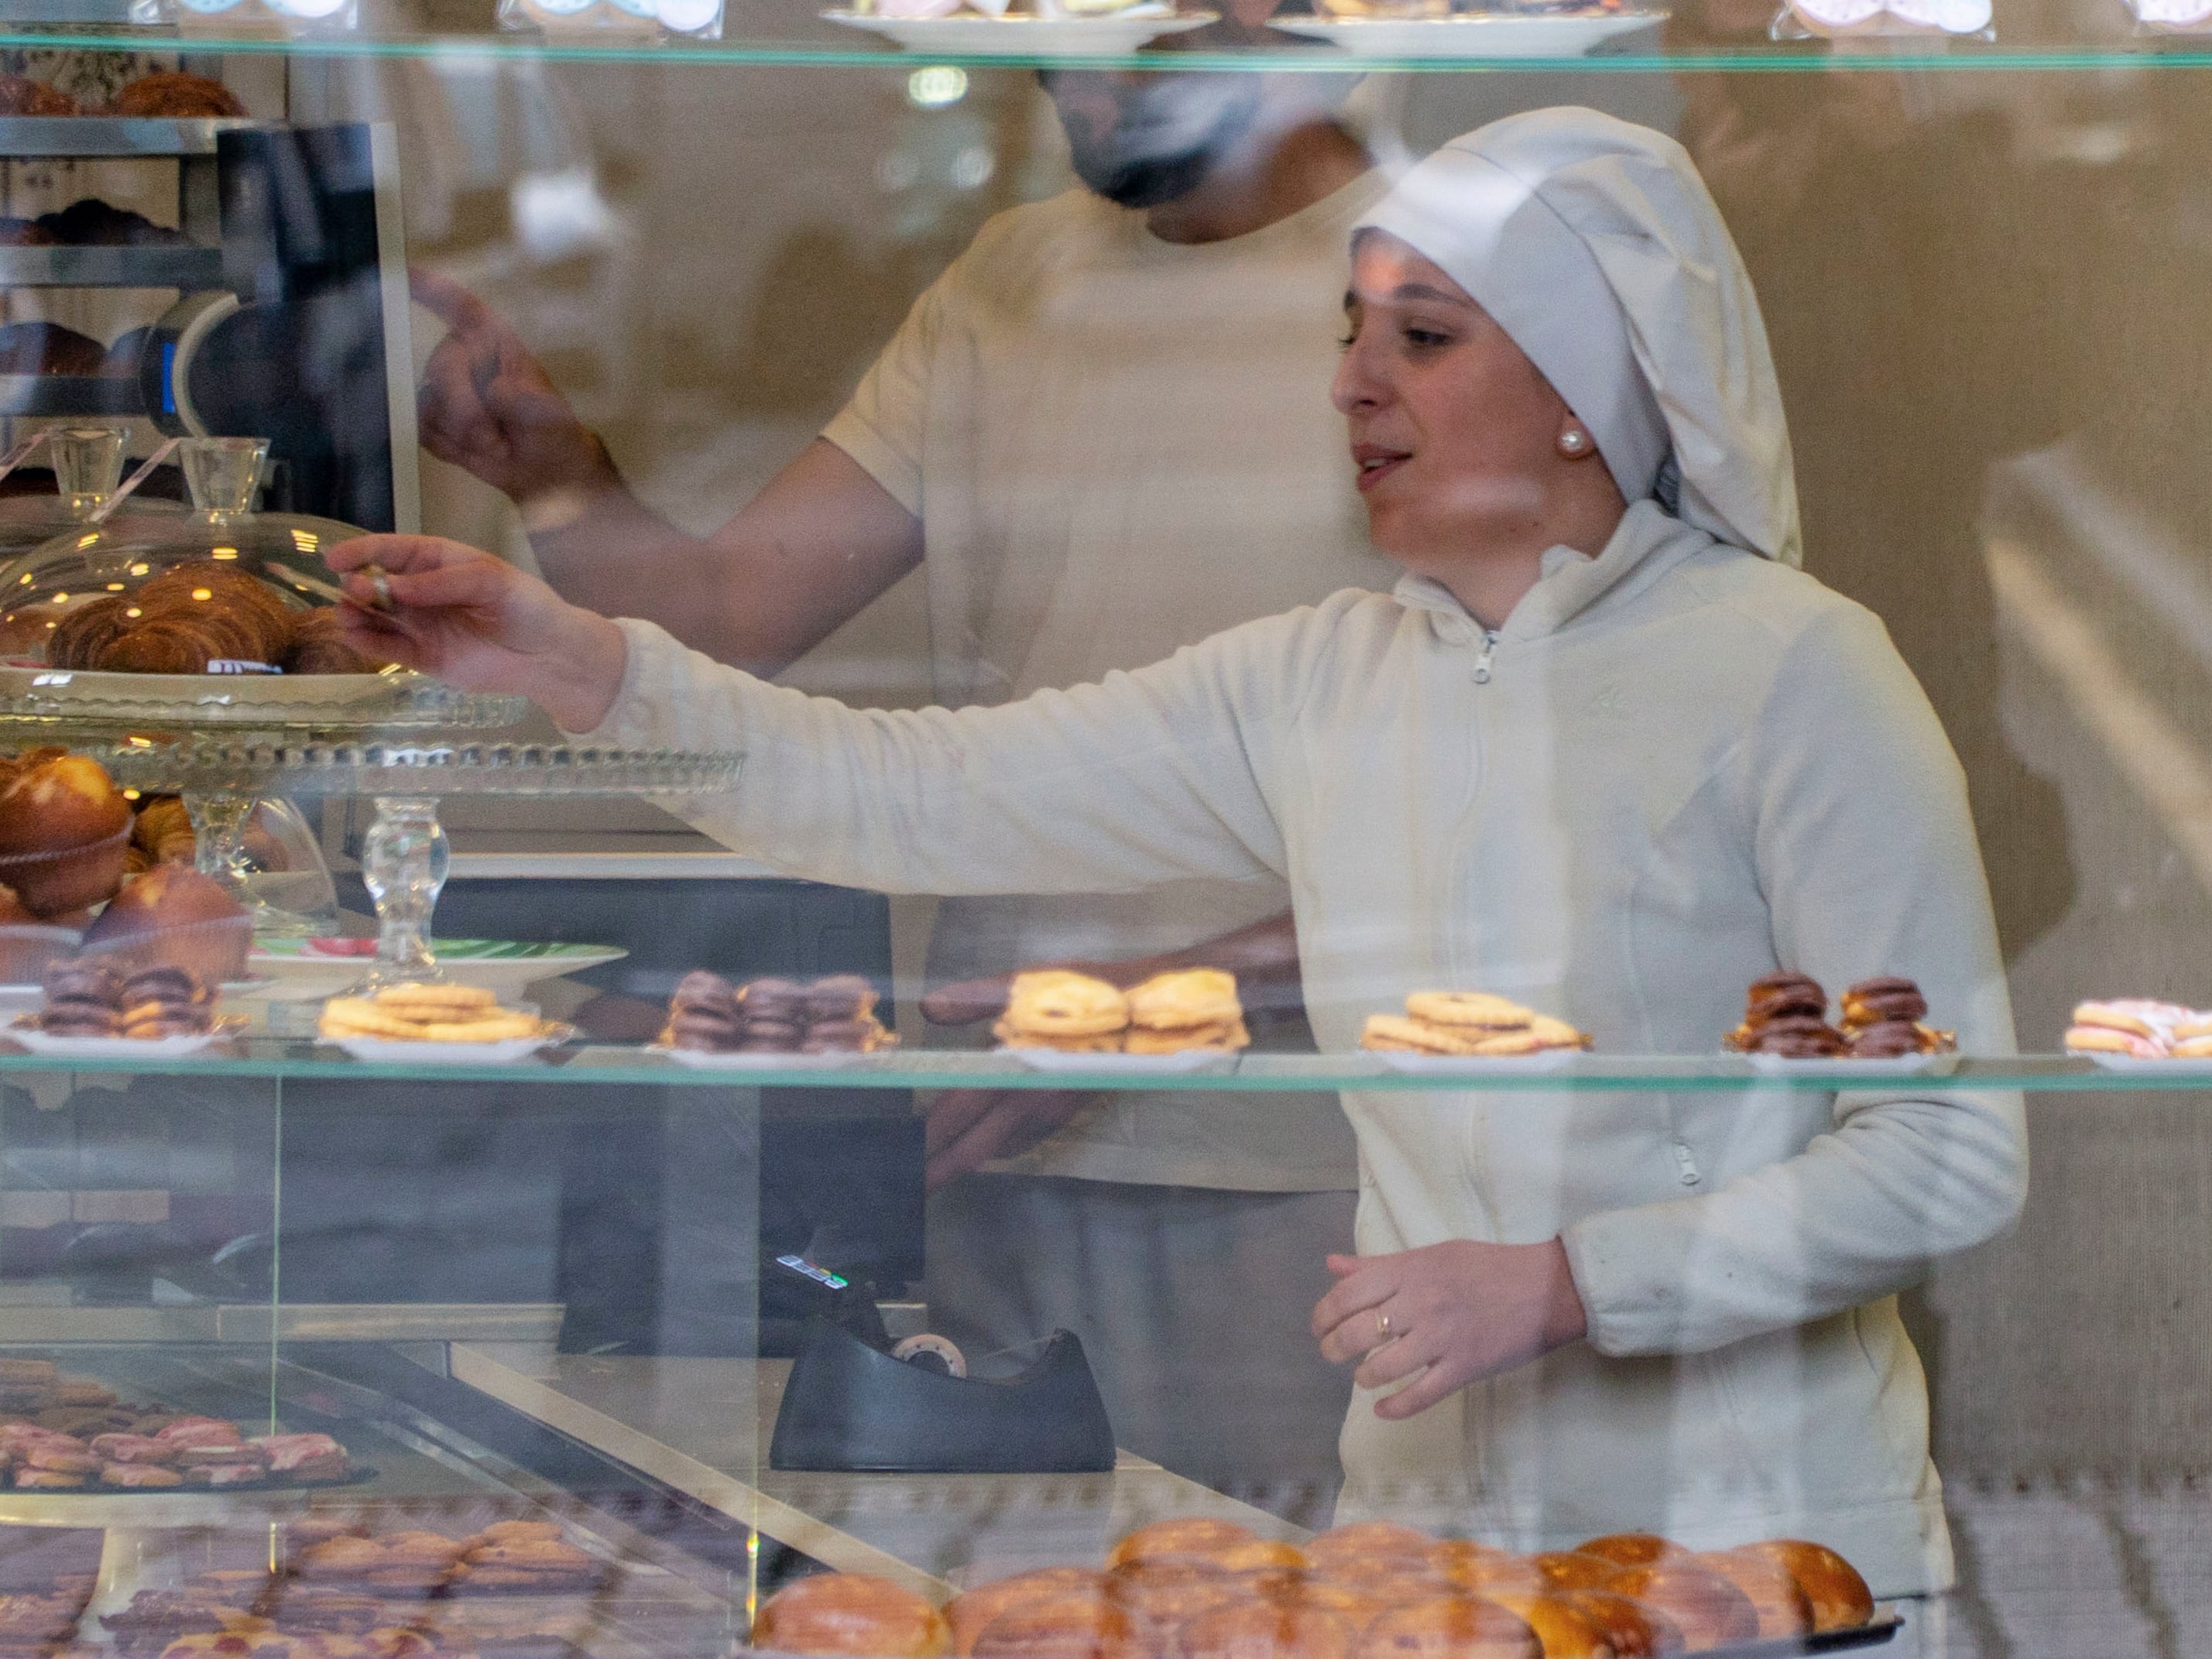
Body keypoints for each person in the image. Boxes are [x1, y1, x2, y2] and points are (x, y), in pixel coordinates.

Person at [334, 108, 2026, 1630]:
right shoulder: (1323, 675)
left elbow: (1950, 1146)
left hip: (1759, 1562)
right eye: (1349, 333)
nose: (1356, 384)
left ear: (1590, 399)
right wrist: (578, 664)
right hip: (1423, 1564)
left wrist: (1575, 1284)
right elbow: (906, 792)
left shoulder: (1796, 671)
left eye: (1423, 338)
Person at [410, 30, 1391, 1509]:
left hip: (1320, 1156)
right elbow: (736, 623)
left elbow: (1527, 798)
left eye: (1112, 51)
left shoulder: (1425, 299)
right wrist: (558, 473)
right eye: (1050, 56)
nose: (1076, 94)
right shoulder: (1014, 274)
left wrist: (1172, 999)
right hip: (997, 1126)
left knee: (1290, 1607)